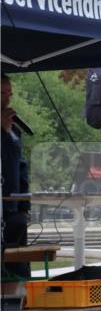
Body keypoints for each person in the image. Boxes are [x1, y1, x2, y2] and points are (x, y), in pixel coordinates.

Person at [1, 74, 31, 281]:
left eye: (9, 94)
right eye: (1, 93)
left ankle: (21, 293)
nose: (7, 100)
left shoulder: (14, 131)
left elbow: (20, 166)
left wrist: (24, 206)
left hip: (13, 209)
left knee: (18, 266)